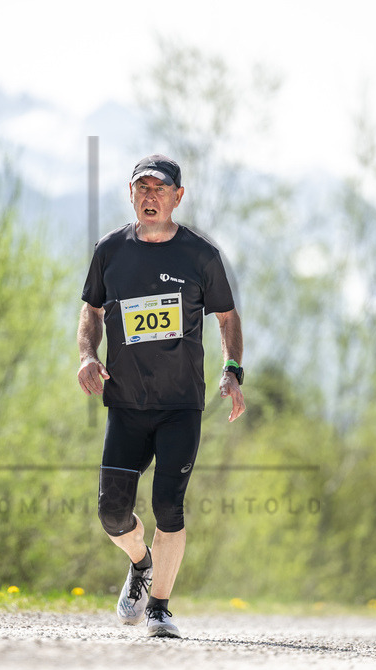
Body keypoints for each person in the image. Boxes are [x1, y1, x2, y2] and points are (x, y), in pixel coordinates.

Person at [77, 154, 246, 638]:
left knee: (169, 506)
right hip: (126, 404)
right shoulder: (109, 251)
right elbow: (90, 310)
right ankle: (140, 563)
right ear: (130, 194)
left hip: (179, 407)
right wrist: (88, 355)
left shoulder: (200, 255)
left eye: (160, 188)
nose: (150, 196)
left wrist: (232, 369)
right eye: (142, 187)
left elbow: (228, 318)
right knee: (112, 510)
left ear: (177, 196)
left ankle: (159, 609)